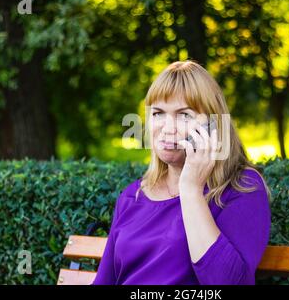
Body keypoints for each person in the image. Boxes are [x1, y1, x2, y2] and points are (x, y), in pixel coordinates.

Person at [92, 60, 271, 285]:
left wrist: (191, 190)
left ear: (213, 125)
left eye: (184, 115)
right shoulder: (133, 196)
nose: (168, 128)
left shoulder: (241, 189)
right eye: (158, 113)